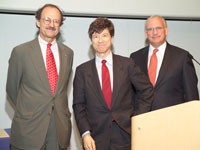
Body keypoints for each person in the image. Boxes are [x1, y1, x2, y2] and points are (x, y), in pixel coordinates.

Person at [73, 17, 153, 150]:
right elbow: (78, 105)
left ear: (112, 38)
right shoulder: (82, 71)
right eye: (95, 36)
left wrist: (137, 118)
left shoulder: (127, 64)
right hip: (95, 138)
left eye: (104, 35)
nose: (100, 40)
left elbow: (146, 90)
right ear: (91, 41)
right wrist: (85, 134)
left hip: (126, 135)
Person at [6, 4, 73, 150]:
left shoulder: (68, 54)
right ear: (38, 22)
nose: (51, 24)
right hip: (29, 130)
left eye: (56, 21)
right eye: (47, 20)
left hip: (58, 129)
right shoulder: (21, 52)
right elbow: (12, 89)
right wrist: (29, 110)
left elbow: (60, 92)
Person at [130, 15, 199, 111]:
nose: (155, 32)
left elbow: (191, 94)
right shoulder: (135, 57)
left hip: (173, 118)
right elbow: (131, 94)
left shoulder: (182, 56)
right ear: (146, 33)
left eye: (159, 28)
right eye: (150, 29)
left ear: (166, 30)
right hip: (143, 118)